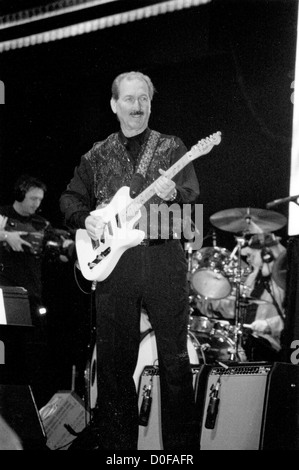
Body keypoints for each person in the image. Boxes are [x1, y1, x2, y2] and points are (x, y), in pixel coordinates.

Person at [60, 71, 200, 450]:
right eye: (129, 99)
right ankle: (118, 452)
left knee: (175, 363)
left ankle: (181, 454)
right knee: (113, 367)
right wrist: (84, 218)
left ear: (151, 104)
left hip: (162, 261)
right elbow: (70, 198)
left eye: (144, 99)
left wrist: (175, 195)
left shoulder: (173, 147)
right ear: (114, 105)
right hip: (116, 267)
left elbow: (193, 206)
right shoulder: (97, 153)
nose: (138, 106)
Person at [0, 174, 74, 407]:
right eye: (32, 198)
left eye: (39, 199)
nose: (36, 204)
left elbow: (61, 247)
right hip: (3, 296)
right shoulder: (2, 216)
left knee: (30, 357)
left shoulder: (42, 224)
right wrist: (5, 235)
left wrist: (72, 249)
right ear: (20, 194)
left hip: (31, 297)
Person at [209, 233, 286, 362]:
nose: (248, 260)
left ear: (266, 254)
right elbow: (236, 307)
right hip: (249, 343)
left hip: (272, 348)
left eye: (251, 255)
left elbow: (293, 319)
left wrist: (268, 325)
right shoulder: (254, 278)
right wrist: (209, 299)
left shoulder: (283, 281)